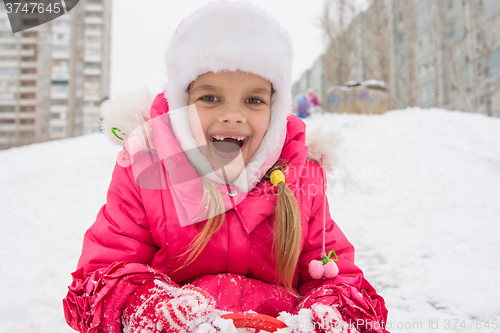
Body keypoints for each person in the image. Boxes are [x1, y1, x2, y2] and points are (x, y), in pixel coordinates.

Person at [63, 2, 388, 333]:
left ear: (276, 113)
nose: (233, 115)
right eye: (210, 98)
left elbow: (339, 278)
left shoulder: (300, 177)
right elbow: (101, 276)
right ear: (180, 102)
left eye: (253, 100)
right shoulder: (147, 171)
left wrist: (328, 316)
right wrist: (149, 309)